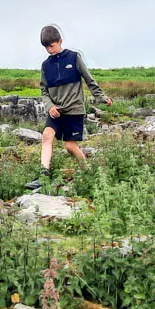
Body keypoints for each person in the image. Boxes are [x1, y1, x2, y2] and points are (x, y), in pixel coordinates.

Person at [26, 24, 113, 191]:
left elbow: (89, 80)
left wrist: (102, 98)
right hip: (56, 111)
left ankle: (88, 173)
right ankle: (43, 176)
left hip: (74, 110)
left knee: (70, 146)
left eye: (51, 46)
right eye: (46, 47)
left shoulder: (74, 58)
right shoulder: (46, 66)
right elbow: (44, 90)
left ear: (60, 41)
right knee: (46, 136)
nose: (49, 50)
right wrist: (50, 106)